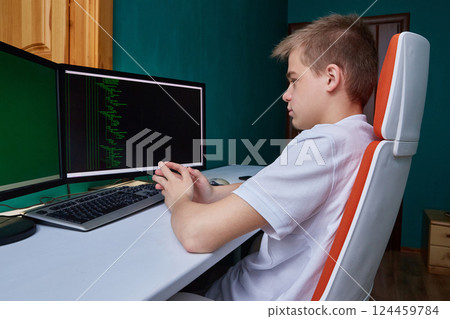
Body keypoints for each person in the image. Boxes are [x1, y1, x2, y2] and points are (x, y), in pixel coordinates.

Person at [152, 14, 378, 300]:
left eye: (294, 81)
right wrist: (214, 193)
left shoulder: (323, 144)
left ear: (331, 78)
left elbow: (196, 235)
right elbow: (280, 190)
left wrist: (179, 199)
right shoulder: (360, 138)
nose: (286, 94)